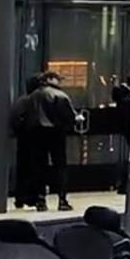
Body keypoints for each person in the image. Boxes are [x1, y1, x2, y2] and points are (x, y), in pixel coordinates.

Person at [17, 72, 79, 211]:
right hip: (56, 133)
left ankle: (40, 200)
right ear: (49, 79)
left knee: (39, 167)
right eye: (57, 79)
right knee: (60, 166)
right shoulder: (59, 95)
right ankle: (62, 200)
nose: (59, 82)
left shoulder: (31, 97)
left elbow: (23, 116)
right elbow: (69, 115)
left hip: (36, 134)